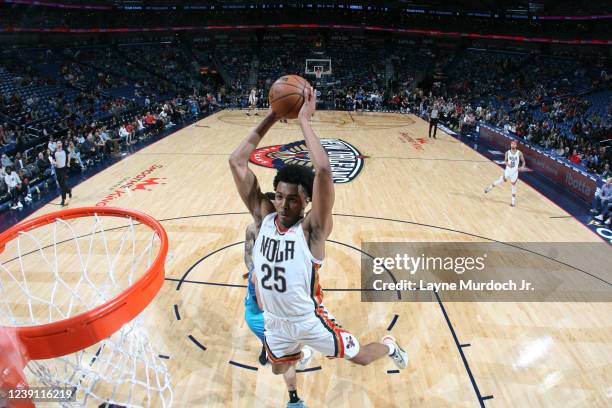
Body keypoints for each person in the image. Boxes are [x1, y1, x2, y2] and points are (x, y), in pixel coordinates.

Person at [229, 86, 408, 408]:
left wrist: (303, 121)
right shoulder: (265, 217)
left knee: (363, 358)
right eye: (280, 196)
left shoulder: (312, 231)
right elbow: (237, 161)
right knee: (278, 367)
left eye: (293, 198)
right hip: (274, 321)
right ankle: (299, 354)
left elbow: (323, 171)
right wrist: (272, 112)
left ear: (307, 201)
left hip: (308, 318)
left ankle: (391, 345)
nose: (284, 204)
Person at [243, 196, 312, 408]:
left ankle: (274, 350)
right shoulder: (255, 230)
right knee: (286, 350)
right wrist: (256, 270)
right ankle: (294, 397)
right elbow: (248, 254)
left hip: (264, 309)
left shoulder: (289, 232)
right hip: (269, 314)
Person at [484, 140, 526, 207]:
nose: (513, 145)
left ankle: (513, 202)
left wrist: (522, 167)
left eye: (514, 144)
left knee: (513, 185)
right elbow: (505, 161)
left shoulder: (519, 153)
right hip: (508, 170)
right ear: (510, 145)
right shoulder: (507, 152)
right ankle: (489, 188)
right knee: (500, 181)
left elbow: (523, 161)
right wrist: (508, 164)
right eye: (512, 144)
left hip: (515, 172)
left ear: (516, 145)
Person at [54, 140, 72, 206]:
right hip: (57, 170)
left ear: (61, 144)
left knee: (63, 184)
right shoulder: (55, 152)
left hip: (63, 169)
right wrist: (54, 162)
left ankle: (63, 199)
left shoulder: (64, 150)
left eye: (59, 143)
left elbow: (69, 154)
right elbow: (52, 159)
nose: (58, 144)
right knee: (61, 184)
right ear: (56, 145)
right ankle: (69, 191)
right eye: (57, 143)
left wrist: (68, 162)